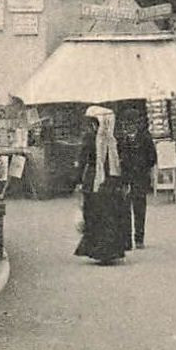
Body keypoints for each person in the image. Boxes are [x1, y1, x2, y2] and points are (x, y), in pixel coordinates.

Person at [74, 105, 128, 265]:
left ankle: (97, 250)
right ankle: (111, 251)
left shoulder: (90, 138)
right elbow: (120, 164)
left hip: (94, 182)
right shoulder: (113, 140)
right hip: (111, 183)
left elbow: (83, 159)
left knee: (95, 215)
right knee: (110, 216)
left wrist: (77, 179)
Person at [116, 111, 157, 250]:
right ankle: (127, 240)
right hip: (126, 178)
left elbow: (152, 157)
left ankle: (139, 238)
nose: (129, 127)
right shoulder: (121, 139)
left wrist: (143, 166)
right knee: (125, 209)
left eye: (131, 124)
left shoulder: (145, 137)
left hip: (140, 177)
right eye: (127, 124)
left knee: (139, 209)